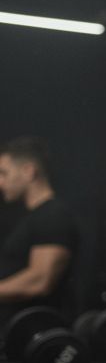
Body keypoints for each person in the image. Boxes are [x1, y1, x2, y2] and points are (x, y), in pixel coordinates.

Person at [0, 137, 77, 327]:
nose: (0, 182)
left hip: (35, 335)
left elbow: (40, 280)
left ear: (28, 171)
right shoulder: (29, 218)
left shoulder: (53, 216)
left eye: (3, 173)